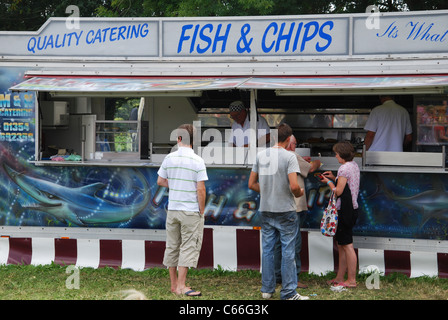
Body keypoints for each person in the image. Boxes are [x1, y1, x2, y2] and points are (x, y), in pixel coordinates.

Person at [248, 123, 308, 300]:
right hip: (285, 210)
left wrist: (267, 191)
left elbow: (251, 184)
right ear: (289, 139)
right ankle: (289, 292)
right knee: (288, 250)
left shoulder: (260, 155)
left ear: (273, 137)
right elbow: (295, 186)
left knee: (267, 249)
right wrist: (300, 192)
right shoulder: (289, 157)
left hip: (265, 209)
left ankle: (267, 289)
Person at [157, 124, 208, 297]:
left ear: (179, 139)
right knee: (187, 247)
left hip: (172, 210)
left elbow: (160, 181)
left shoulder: (169, 158)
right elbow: (201, 190)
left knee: (172, 246)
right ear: (194, 141)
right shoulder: (198, 161)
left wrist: (176, 185)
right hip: (190, 211)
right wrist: (202, 210)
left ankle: (173, 285)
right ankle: (182, 286)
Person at [274, 135, 321, 289]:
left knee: (277, 243)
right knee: (294, 242)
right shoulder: (292, 156)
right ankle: (293, 277)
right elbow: (311, 168)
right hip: (294, 205)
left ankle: (277, 276)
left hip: (276, 204)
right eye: (295, 143)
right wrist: (317, 161)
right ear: (289, 142)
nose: (295, 146)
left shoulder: (270, 154)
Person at [319, 141, 360, 288]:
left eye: (336, 153)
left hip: (344, 211)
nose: (335, 156)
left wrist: (329, 182)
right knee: (342, 243)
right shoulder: (353, 166)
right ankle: (340, 277)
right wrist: (335, 177)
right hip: (352, 209)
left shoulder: (343, 169)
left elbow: (339, 191)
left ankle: (351, 280)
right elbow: (348, 183)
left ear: (341, 155)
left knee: (347, 245)